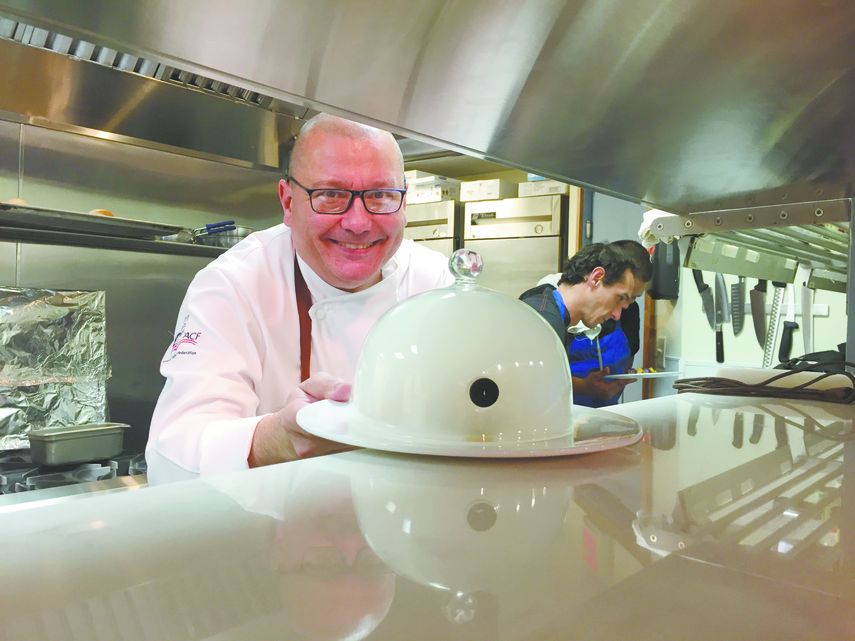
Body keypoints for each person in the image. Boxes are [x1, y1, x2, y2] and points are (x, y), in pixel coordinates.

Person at [145, 114, 453, 484]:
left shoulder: (437, 285)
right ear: (288, 202)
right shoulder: (233, 285)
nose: (358, 222)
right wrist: (278, 439)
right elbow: (171, 459)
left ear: (403, 200)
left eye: (380, 195)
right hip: (273, 531)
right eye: (331, 195)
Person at [519, 242, 649, 406]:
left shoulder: (558, 318)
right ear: (596, 277)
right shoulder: (544, 319)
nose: (617, 315)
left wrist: (587, 387)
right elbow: (526, 398)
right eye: (619, 298)